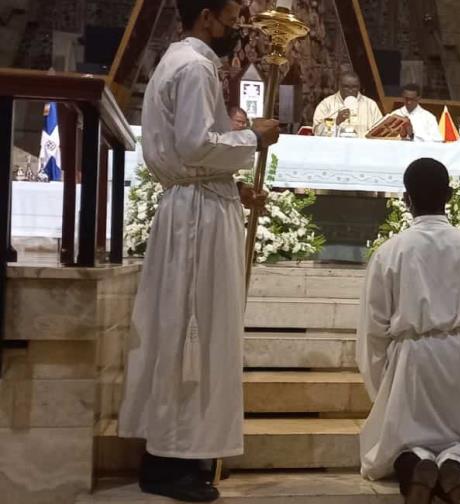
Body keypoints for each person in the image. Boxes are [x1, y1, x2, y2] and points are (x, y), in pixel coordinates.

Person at [117, 0, 280, 501]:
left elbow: (195, 154)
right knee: (194, 332)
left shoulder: (184, 61)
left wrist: (235, 189)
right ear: (207, 16)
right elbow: (194, 145)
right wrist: (252, 136)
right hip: (197, 223)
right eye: (231, 19)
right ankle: (171, 461)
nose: (236, 30)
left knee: (191, 332)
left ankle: (177, 454)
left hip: (201, 204)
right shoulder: (193, 66)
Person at [357, 158, 460, 504]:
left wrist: (382, 386)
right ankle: (457, 469)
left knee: (402, 443)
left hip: (413, 359)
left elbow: (374, 328)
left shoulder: (392, 251)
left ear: (406, 199)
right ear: (450, 195)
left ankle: (416, 467)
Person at [313, 71, 383, 137]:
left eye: (354, 87)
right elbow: (317, 132)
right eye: (346, 87)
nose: (350, 90)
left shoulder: (370, 105)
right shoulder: (326, 104)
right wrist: (336, 121)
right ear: (339, 86)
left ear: (359, 87)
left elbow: (380, 131)